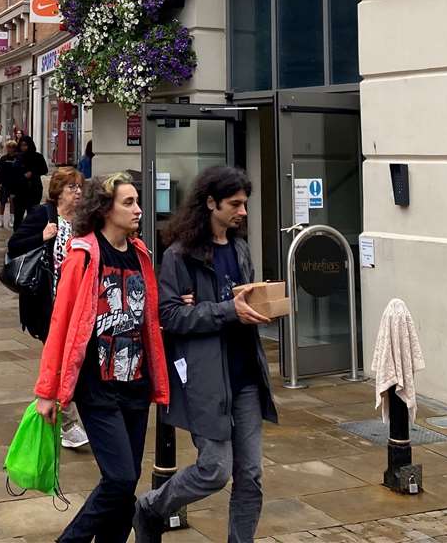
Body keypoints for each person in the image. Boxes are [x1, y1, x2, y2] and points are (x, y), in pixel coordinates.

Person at [134, 166, 277, 543]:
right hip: (206, 379)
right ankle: (151, 506)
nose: (243, 212)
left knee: (251, 475)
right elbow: (169, 315)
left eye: (245, 204)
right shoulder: (181, 255)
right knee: (215, 469)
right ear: (210, 203)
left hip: (246, 375)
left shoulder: (240, 248)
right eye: (235, 204)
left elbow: (241, 301)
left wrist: (262, 304)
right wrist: (226, 310)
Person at [35, 173, 168, 543]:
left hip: (136, 386)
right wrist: (47, 389)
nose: (139, 209)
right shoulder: (84, 255)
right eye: (129, 203)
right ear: (105, 209)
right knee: (120, 478)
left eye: (137, 201)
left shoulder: (141, 255)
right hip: (98, 388)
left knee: (125, 485)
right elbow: (60, 324)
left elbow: (149, 317)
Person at [10, 165, 89, 449]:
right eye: (71, 187)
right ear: (58, 192)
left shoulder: (84, 221)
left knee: (73, 360)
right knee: (60, 361)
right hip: (47, 305)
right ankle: (68, 424)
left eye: (80, 187)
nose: (78, 192)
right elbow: (14, 245)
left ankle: (57, 410)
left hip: (79, 304)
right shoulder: (42, 215)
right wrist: (41, 237)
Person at [13, 135, 48, 229]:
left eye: (25, 145)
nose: (23, 148)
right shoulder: (17, 157)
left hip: (34, 190)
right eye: (21, 145)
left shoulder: (38, 157)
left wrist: (32, 173)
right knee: (18, 216)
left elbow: (44, 170)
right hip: (20, 190)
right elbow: (13, 173)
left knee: (32, 214)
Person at [0, 139, 24, 229]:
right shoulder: (3, 159)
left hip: (14, 184)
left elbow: (20, 171)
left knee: (12, 201)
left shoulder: (18, 158)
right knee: (2, 202)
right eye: (9, 147)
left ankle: (12, 219)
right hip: (5, 183)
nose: (10, 149)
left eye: (12, 147)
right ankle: (1, 219)